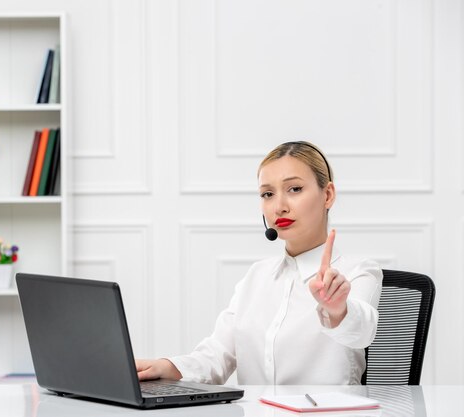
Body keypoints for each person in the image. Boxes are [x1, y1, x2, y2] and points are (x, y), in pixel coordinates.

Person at [136, 141, 382, 385]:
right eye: (267, 194)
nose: (279, 206)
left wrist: (338, 310)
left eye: (294, 189)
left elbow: (362, 331)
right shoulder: (257, 276)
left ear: (327, 195)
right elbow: (217, 356)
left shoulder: (358, 271)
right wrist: (167, 367)